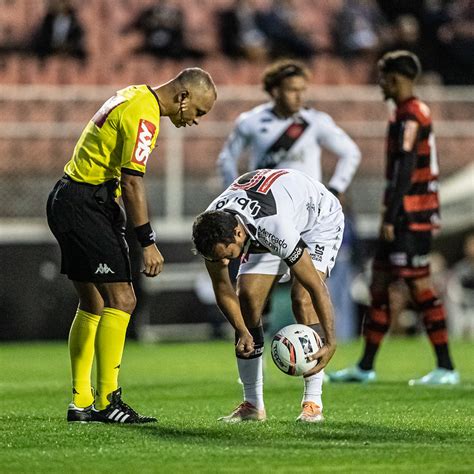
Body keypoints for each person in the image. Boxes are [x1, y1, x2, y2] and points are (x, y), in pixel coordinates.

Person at [47, 68, 217, 423]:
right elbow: (133, 183)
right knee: (123, 299)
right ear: (183, 97)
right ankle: (108, 401)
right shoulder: (146, 115)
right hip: (87, 203)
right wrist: (147, 242)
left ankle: (81, 401)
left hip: (68, 195)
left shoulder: (134, 94)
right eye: (198, 111)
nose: (196, 120)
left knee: (92, 302)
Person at [329, 50, 459, 385]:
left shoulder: (411, 115)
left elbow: (404, 167)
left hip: (412, 214)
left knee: (418, 285)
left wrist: (392, 214)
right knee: (380, 285)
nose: (379, 84)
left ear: (397, 78)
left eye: (383, 77)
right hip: (404, 211)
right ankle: (365, 366)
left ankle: (446, 367)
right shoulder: (404, 112)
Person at [218, 59, 361, 337]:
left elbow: (350, 152)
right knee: (253, 298)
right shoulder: (251, 121)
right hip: (267, 218)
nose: (299, 96)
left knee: (304, 294)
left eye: (302, 89)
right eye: (291, 89)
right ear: (274, 91)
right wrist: (232, 198)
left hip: (307, 217)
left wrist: (336, 187)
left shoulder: (314, 122)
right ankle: (256, 354)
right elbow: (227, 158)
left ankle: (315, 364)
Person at [192, 168, 344, 422]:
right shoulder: (211, 230)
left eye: (228, 255)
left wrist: (330, 341)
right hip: (270, 217)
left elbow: (317, 287)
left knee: (302, 297)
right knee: (248, 301)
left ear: (238, 234)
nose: (226, 261)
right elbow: (222, 287)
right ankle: (252, 406)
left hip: (318, 220)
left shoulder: (273, 227)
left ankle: (313, 403)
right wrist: (242, 329)